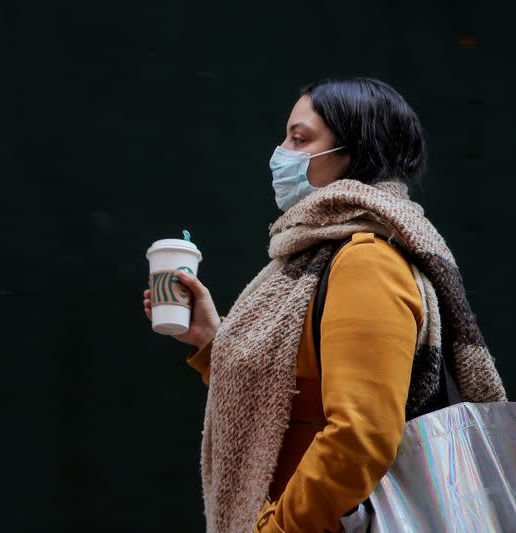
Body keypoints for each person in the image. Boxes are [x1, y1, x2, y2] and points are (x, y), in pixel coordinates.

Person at [141, 77, 507, 533]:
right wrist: (211, 340)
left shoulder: (366, 261)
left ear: (352, 152)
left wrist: (279, 527)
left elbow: (361, 436)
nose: (281, 153)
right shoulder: (315, 255)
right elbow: (291, 398)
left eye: (300, 138)